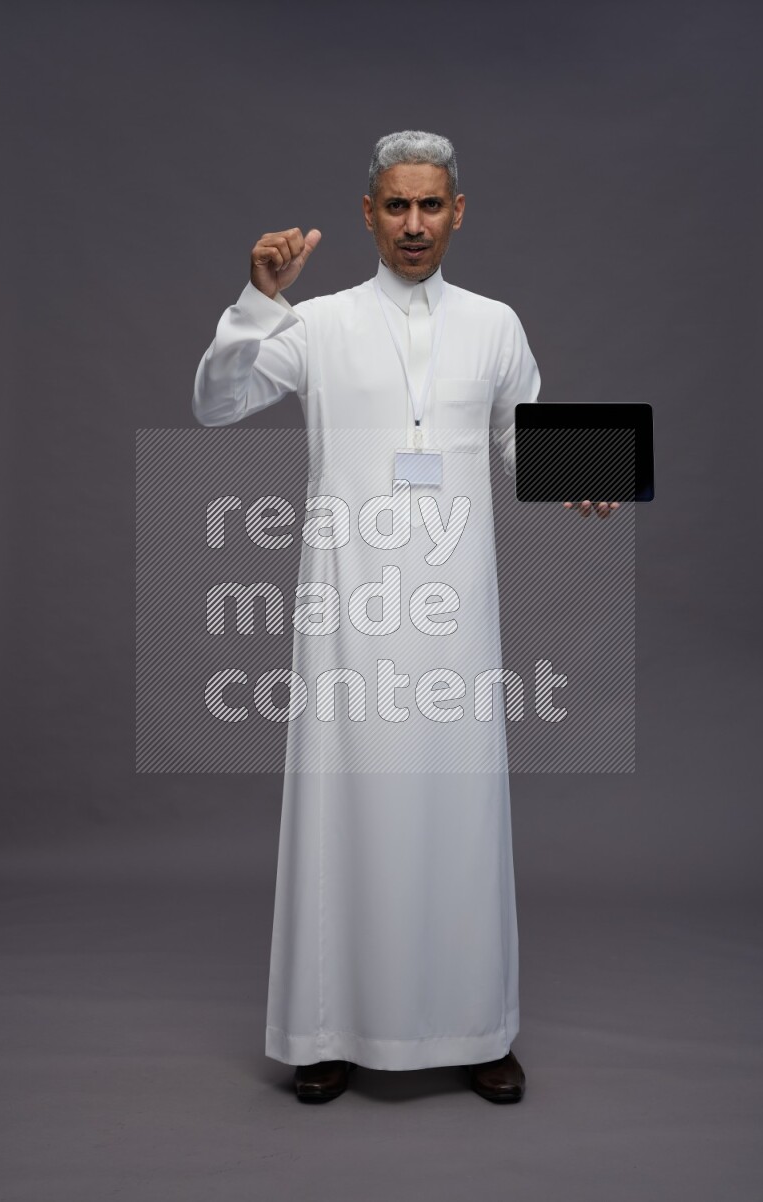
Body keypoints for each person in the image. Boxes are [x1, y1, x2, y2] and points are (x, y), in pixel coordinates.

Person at [192, 130, 617, 1105]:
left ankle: (476, 1026)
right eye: (395, 206)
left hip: (454, 613)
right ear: (368, 213)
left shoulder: (494, 324)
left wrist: (587, 475)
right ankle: (326, 1030)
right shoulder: (319, 324)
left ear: (458, 211)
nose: (413, 224)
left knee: (457, 813)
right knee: (346, 808)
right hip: (348, 610)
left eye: (431, 206)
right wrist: (259, 300)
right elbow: (216, 402)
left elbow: (522, 438)